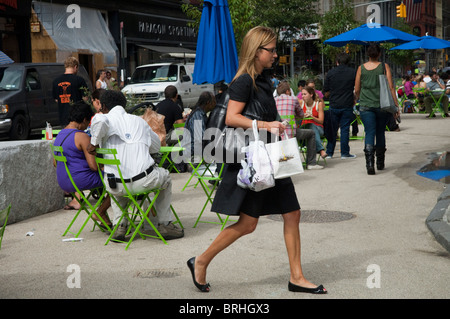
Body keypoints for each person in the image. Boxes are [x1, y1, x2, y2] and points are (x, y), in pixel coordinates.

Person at [187, 26, 327, 295]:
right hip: (256, 161)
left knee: (292, 214)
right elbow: (231, 118)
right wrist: (267, 124)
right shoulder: (243, 82)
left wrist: (277, 125)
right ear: (256, 51)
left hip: (271, 158)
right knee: (248, 224)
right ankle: (201, 260)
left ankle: (296, 277)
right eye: (271, 50)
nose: (276, 54)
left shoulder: (263, 80)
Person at [87, 90, 184, 241]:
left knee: (116, 181)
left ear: (103, 106)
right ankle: (165, 223)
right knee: (165, 177)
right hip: (144, 182)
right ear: (124, 105)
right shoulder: (139, 121)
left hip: (116, 186)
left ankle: (120, 225)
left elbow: (99, 120)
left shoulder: (103, 120)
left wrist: (94, 143)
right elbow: (156, 147)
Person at [53, 101, 111, 227]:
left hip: (64, 181)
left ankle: (104, 217)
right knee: (119, 181)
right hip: (81, 180)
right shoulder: (81, 136)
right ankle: (101, 211)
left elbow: (55, 163)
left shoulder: (59, 136)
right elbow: (93, 167)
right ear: (84, 119)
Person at [354, 43, 399, 175]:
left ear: (368, 54)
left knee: (369, 133)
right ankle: (380, 162)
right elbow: (391, 87)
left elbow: (357, 89)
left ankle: (369, 164)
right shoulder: (384, 67)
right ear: (379, 54)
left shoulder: (361, 68)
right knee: (380, 132)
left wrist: (359, 97)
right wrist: (396, 106)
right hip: (382, 106)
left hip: (366, 105)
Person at [275, 81, 323, 169]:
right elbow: (301, 114)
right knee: (311, 133)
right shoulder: (293, 99)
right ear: (287, 91)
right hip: (292, 133)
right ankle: (311, 163)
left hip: (277, 133)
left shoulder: (274, 100)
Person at [323, 52, 357, 159]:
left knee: (332, 130)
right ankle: (344, 153)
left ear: (337, 62)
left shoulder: (331, 73)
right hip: (347, 104)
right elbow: (357, 88)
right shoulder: (353, 72)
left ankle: (329, 152)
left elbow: (326, 92)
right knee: (345, 129)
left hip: (334, 104)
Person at [52, 57, 89, 126]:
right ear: (75, 67)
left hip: (63, 117)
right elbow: (86, 98)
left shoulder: (56, 81)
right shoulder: (79, 80)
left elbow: (56, 99)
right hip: (77, 117)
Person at [181, 91, 216, 162]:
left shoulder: (200, 113)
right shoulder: (198, 115)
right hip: (191, 149)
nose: (215, 104)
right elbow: (200, 138)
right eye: (214, 101)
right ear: (208, 103)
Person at [300, 86, 327, 159]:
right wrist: (301, 115)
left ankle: (320, 150)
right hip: (305, 128)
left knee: (311, 126)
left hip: (318, 128)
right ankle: (321, 150)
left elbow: (321, 121)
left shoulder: (318, 104)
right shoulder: (301, 103)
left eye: (305, 94)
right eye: (302, 94)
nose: (302, 96)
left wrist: (312, 117)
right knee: (309, 127)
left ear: (311, 94)